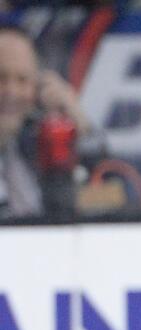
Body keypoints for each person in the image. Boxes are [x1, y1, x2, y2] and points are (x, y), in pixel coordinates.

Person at [0, 25, 96, 221]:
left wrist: (81, 125)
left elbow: (112, 195)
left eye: (22, 80)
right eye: (1, 78)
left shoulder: (38, 147)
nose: (11, 92)